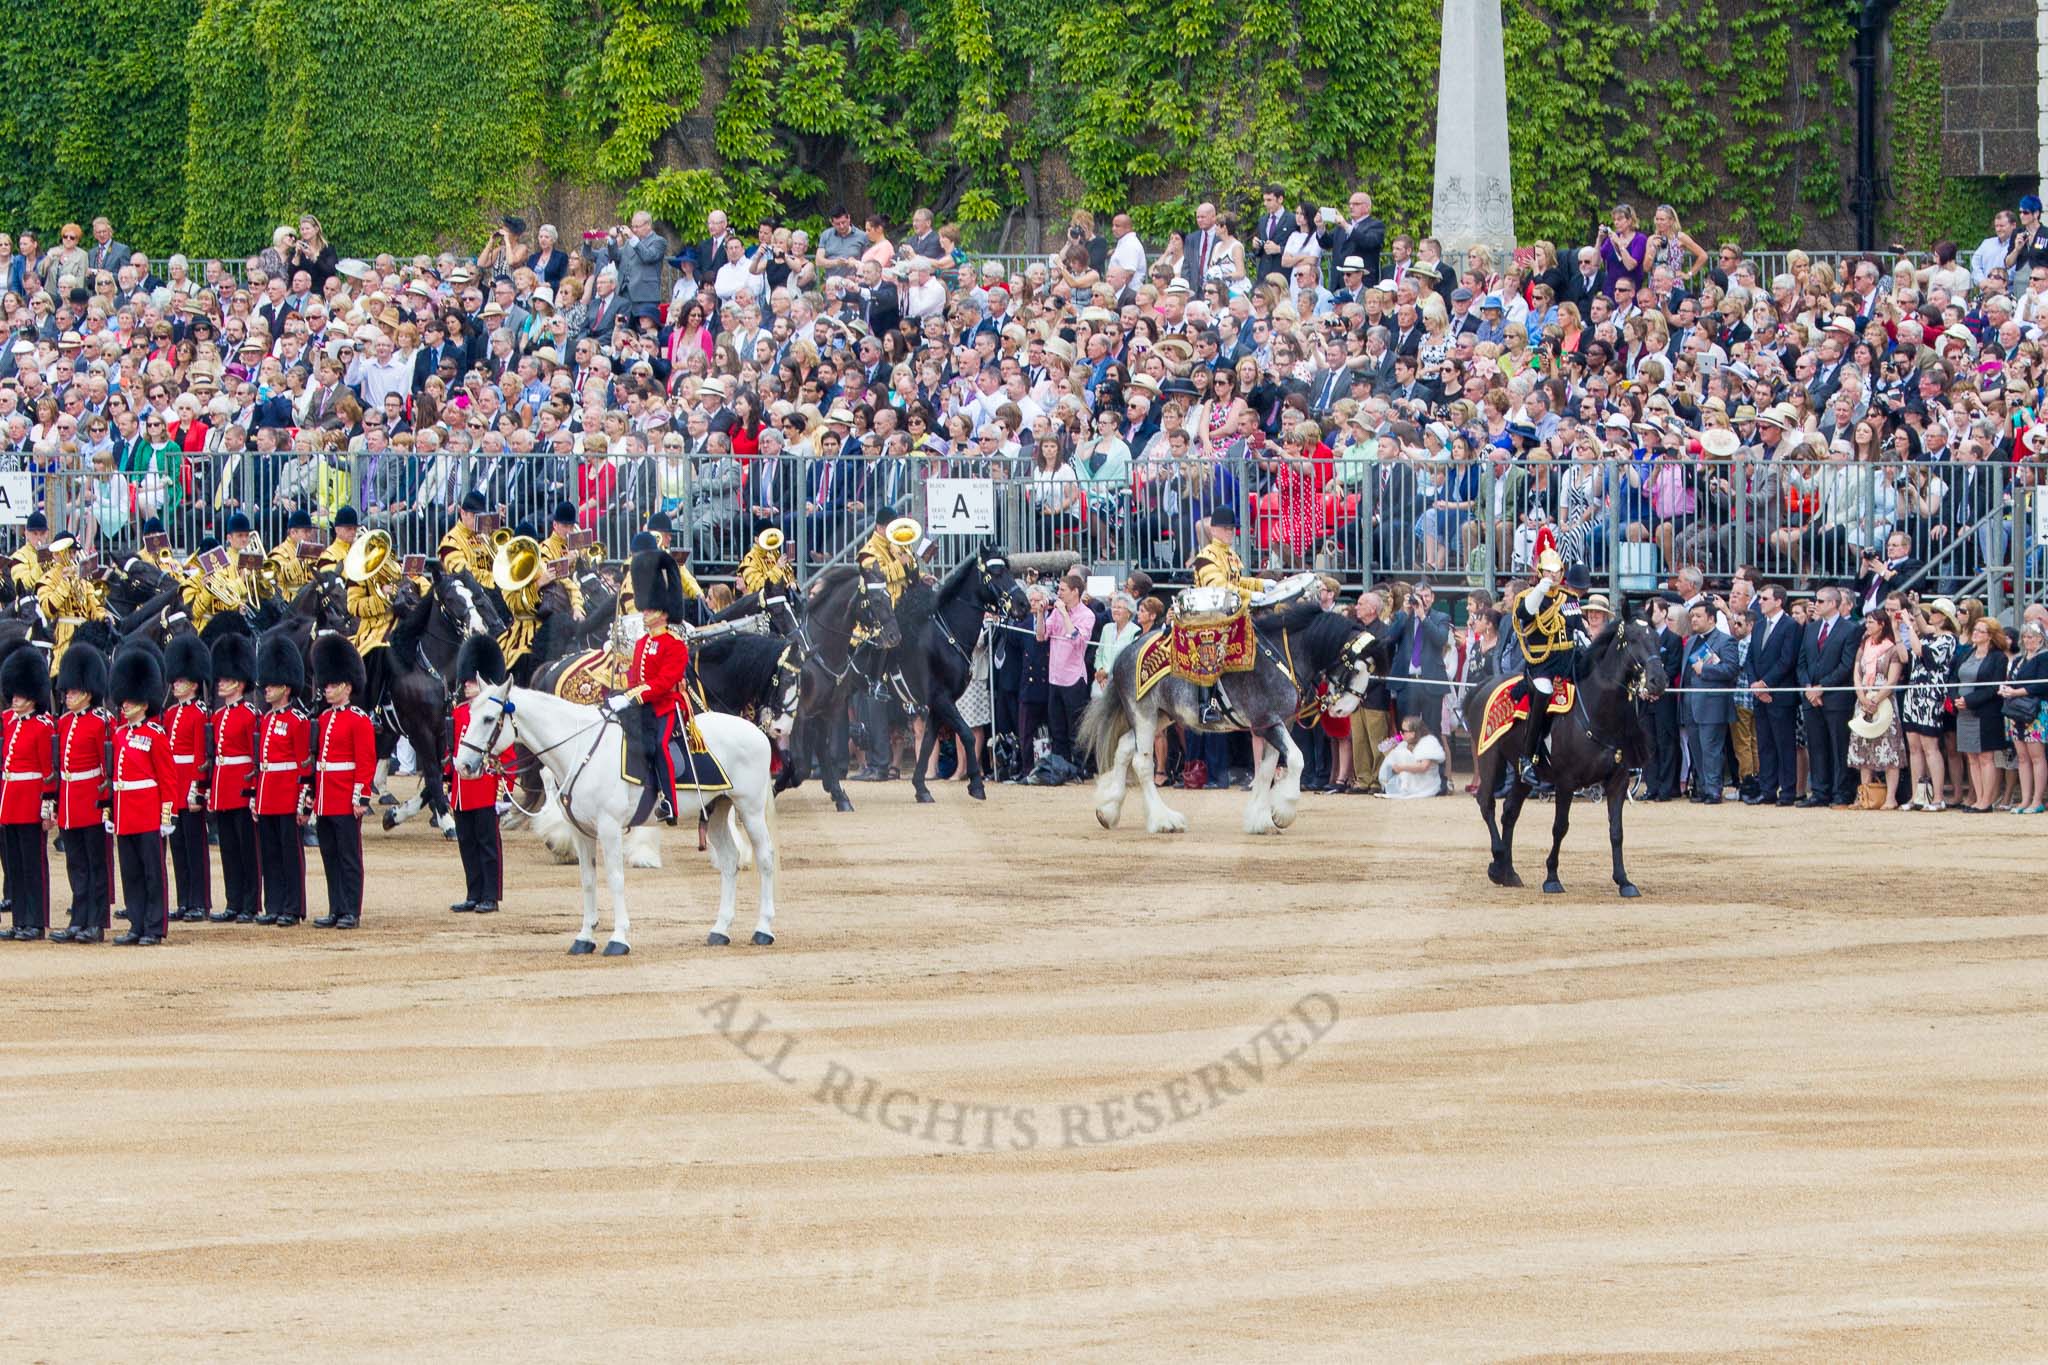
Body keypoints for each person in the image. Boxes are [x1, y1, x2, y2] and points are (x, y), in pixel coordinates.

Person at [608, 548, 691, 825]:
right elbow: (635, 677)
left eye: (650, 608)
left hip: (667, 706)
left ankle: (669, 801)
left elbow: (665, 683)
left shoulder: (675, 644)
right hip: (643, 706)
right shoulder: (643, 642)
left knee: (660, 745)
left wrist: (634, 697)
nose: (644, 612)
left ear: (664, 613)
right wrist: (624, 696)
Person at [107, 647, 179, 947]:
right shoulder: (120, 734)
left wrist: (167, 815)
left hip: (148, 812)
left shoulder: (155, 734)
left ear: (144, 702)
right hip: (125, 812)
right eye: (123, 700)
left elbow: (167, 778)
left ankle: (154, 926)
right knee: (132, 873)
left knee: (153, 872)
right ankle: (137, 924)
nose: (125, 705)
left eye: (131, 700)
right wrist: (110, 812)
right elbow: (116, 778)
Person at [308, 635, 377, 929]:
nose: (327, 689)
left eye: (333, 685)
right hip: (326, 797)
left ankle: (351, 910)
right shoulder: (323, 719)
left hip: (345, 797)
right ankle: (336, 907)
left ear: (347, 687)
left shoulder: (358, 719)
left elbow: (366, 761)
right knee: (330, 856)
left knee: (349, 857)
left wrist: (361, 796)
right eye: (326, 684)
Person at [49, 642, 113, 944]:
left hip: (91, 800)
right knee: (75, 864)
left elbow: (107, 769)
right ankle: (78, 918)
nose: (68, 696)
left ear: (87, 691)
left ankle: (96, 921)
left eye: (73, 691)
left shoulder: (102, 723)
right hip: (70, 801)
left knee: (95, 864)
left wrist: (107, 806)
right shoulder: (63, 723)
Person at [1508, 550, 1588, 780]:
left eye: (1556, 572)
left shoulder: (1569, 598)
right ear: (1540, 572)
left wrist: (1588, 644)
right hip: (1543, 663)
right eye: (1548, 572)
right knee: (1542, 692)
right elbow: (1527, 613)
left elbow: (1578, 629)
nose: (1553, 576)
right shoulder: (1528, 596)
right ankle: (1528, 755)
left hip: (1570, 660)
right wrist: (1541, 588)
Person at [450, 636, 516, 915]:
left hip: (486, 789)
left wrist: (504, 792)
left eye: (472, 681)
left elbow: (508, 757)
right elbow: (454, 751)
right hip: (462, 792)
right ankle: (473, 892)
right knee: (467, 843)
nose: (467, 685)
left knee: (488, 845)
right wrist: (448, 785)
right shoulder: (459, 712)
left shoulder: (493, 713)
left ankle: (491, 895)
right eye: (465, 681)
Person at [252, 631, 312, 926]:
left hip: (287, 795)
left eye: (272, 685)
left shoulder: (297, 721)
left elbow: (304, 767)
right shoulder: (264, 720)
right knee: (271, 855)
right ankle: (274, 905)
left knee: (291, 855)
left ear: (286, 688)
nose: (266, 689)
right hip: (266, 795)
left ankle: (293, 906)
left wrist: (303, 804)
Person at [208, 628, 264, 923]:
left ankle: (250, 902)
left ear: (240, 683)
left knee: (247, 850)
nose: (221, 683)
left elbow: (255, 758)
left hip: (241, 788)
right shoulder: (217, 717)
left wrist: (253, 791)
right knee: (228, 849)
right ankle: (233, 901)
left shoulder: (250, 715)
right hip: (222, 788)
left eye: (227, 680)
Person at [1189, 505, 1264, 725]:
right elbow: (1221, 587)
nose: (1230, 532)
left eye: (1232, 528)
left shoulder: (1230, 555)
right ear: (1214, 530)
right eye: (1226, 528)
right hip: (1208, 613)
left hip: (1232, 610)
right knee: (1209, 647)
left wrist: (1261, 585)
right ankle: (1206, 705)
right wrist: (1251, 595)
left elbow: (1237, 581)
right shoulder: (1206, 557)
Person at [0, 647, 56, 941]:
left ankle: (36, 921)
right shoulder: (9, 721)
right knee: (16, 866)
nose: (14, 698)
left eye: (20, 694)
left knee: (34, 865)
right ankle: (21, 919)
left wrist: (48, 807)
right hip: (10, 803)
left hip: (31, 802)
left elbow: (48, 771)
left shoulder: (43, 727)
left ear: (33, 695)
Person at [162, 633, 214, 923]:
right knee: (178, 847)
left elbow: (199, 757)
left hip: (189, 786)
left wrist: (197, 789)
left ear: (193, 684)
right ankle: (184, 901)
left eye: (181, 682)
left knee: (195, 847)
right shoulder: (170, 714)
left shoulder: (199, 713)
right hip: (173, 786)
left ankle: (199, 901)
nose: (175, 685)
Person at [1797, 584, 1860, 807]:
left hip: (1836, 698)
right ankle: (1820, 792)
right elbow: (1802, 660)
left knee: (1839, 746)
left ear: (1833, 604)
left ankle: (1841, 792)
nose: (1816, 604)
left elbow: (1846, 665)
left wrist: (1821, 687)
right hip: (1812, 697)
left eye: (1821, 601)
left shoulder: (1850, 629)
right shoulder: (1812, 628)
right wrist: (1808, 687)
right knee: (1816, 745)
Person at [1845, 609, 1906, 810]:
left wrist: (1877, 699)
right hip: (1863, 700)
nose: (1867, 626)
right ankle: (1864, 794)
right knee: (1864, 748)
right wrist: (1862, 697)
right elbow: (1856, 673)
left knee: (1889, 749)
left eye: (1871, 622)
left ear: (1881, 624)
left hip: (1884, 701)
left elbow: (1893, 679)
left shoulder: (1891, 649)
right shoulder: (1864, 645)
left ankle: (1891, 797)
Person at [1033, 572, 1096, 766]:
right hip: (1055, 677)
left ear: (1075, 592)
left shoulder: (1087, 615)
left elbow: (1077, 640)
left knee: (1075, 726)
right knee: (1057, 726)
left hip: (1073, 678)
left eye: (1062, 590)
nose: (1058, 593)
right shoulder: (1055, 611)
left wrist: (1064, 614)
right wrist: (1041, 614)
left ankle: (1080, 766)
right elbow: (1040, 637)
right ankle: (1061, 764)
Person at [1747, 583, 1801, 805]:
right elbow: (1750, 657)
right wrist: (1755, 684)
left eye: (1765, 598)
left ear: (1779, 601)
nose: (1760, 602)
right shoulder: (1759, 626)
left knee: (1784, 744)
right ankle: (1767, 790)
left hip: (1779, 695)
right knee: (1765, 745)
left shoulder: (1791, 626)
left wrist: (1766, 684)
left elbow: (1787, 660)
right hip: (1761, 695)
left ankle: (1787, 791)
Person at [1682, 601, 1738, 802]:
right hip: (1690, 702)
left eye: (1698, 616)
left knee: (1711, 749)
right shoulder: (1690, 641)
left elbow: (1731, 670)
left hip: (1713, 704)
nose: (1694, 619)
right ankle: (1703, 787)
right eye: (1692, 616)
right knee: (1696, 748)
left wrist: (1705, 670)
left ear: (1711, 618)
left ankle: (1714, 789)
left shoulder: (1725, 641)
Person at [1956, 616, 2009, 813]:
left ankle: (1986, 800)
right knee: (1971, 757)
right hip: (1964, 712)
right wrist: (1956, 698)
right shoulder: (1967, 653)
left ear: (1990, 636)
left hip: (1985, 712)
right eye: (1975, 630)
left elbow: (1993, 687)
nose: (1975, 633)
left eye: (1981, 631)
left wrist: (1969, 701)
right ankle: (1978, 798)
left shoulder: (1998, 658)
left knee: (1986, 757)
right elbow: (1955, 677)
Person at [2000, 621, 2048, 814]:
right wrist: (2006, 689)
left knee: (2037, 756)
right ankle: (2025, 799)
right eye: (2026, 637)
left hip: (2034, 710)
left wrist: (2015, 692)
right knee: (2022, 757)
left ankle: (2037, 799)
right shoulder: (2019, 659)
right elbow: (2012, 680)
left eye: (2032, 637)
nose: (2028, 640)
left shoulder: (2044, 657)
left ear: (2041, 639)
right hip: (2016, 711)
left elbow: (2041, 685)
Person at [1376, 714, 1445, 799]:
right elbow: (1391, 761)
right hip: (1412, 782)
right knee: (1400, 752)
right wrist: (1389, 750)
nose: (1401, 733)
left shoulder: (1428, 741)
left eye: (1404, 731)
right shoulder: (1405, 744)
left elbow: (1424, 766)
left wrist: (1402, 767)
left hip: (1426, 784)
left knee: (1403, 753)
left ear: (1413, 733)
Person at [737, 527, 797, 597]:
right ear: (756, 539)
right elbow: (758, 586)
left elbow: (788, 576)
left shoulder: (775, 553)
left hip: (779, 600)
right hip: (759, 602)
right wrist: (777, 568)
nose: (770, 540)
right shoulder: (749, 559)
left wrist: (791, 583)